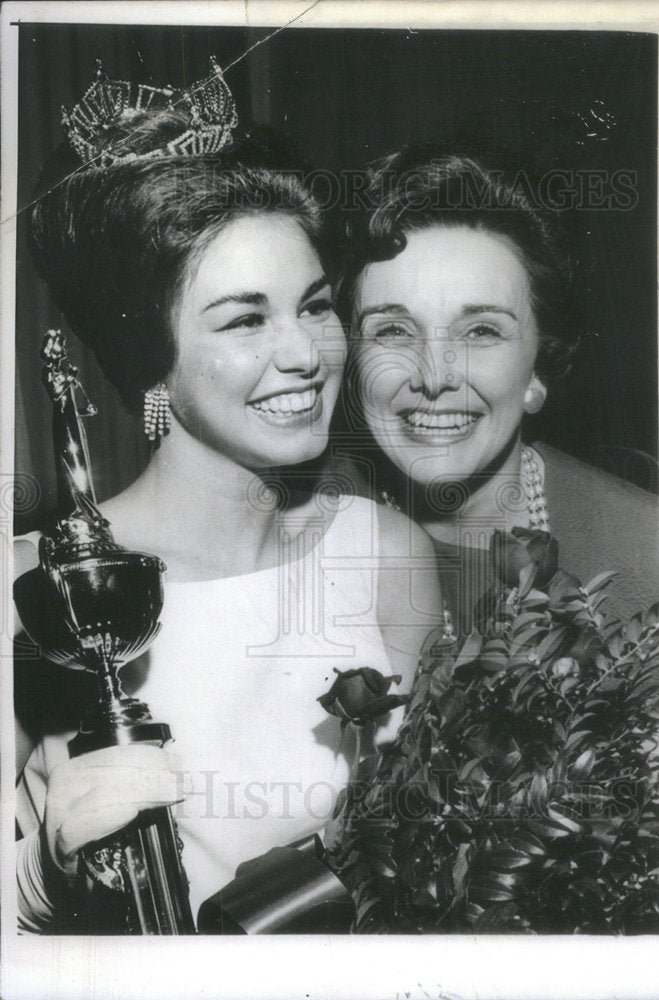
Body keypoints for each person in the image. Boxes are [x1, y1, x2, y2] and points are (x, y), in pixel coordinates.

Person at [14, 65, 441, 932]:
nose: (305, 355)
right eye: (245, 320)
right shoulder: (33, 592)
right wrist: (47, 864)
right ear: (150, 356)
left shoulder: (386, 552)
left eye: (314, 307)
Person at [340, 145, 580, 634]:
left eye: (481, 332)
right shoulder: (298, 531)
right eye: (393, 331)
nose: (433, 377)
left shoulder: (654, 550)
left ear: (538, 367)